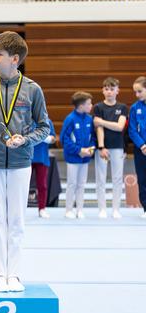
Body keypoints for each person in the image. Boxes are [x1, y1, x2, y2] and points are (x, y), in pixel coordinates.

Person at [0, 31, 49, 292]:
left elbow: (44, 128)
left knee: (16, 220)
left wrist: (25, 140)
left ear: (14, 59)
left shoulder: (32, 89)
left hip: (20, 164)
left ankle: (13, 273)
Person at [93, 77, 128, 219]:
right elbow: (98, 128)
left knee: (117, 179)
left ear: (117, 91)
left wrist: (101, 121)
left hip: (118, 147)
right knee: (100, 179)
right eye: (106, 89)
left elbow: (120, 127)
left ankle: (116, 209)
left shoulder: (122, 107)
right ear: (103, 90)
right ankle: (102, 208)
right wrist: (101, 147)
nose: (109, 92)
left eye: (112, 89)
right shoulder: (98, 107)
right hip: (103, 147)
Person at [61, 91, 96, 220]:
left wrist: (91, 148)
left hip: (85, 158)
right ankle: (68, 210)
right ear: (81, 106)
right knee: (72, 183)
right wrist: (79, 150)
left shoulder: (89, 119)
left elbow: (93, 137)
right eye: (89, 103)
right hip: (73, 158)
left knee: (81, 184)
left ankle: (80, 209)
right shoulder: (70, 119)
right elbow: (65, 139)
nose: (91, 105)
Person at [128, 76, 146, 219]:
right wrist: (142, 145)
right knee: (143, 179)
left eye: (139, 91)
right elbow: (132, 130)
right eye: (135, 92)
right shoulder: (134, 108)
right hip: (141, 150)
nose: (137, 95)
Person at [31, 117, 56, 219]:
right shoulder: (25, 119)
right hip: (27, 158)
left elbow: (53, 139)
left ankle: (42, 209)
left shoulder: (47, 121)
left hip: (42, 157)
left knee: (42, 185)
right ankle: (19, 208)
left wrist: (47, 138)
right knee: (22, 185)